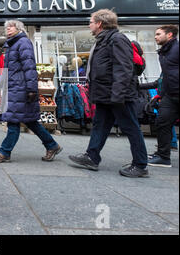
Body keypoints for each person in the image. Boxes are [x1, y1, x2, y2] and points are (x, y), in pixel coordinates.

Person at [68, 9, 148, 177]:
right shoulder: (104, 40)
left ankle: (140, 165)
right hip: (106, 94)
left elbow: (124, 69)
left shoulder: (117, 39)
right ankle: (92, 156)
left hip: (118, 95)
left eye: (90, 22)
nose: (89, 25)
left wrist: (118, 95)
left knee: (131, 127)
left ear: (99, 23)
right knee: (100, 125)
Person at [0, 20, 62, 163]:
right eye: (6, 27)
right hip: (16, 88)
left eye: (11, 26)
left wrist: (31, 89)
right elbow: (7, 72)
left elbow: (29, 67)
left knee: (13, 121)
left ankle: (5, 152)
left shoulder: (23, 42)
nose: (8, 29)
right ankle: (52, 145)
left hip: (20, 89)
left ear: (19, 28)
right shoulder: (12, 45)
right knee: (31, 121)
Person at [142, 25, 178, 167]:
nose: (155, 37)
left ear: (169, 35)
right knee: (162, 123)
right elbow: (164, 78)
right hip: (170, 95)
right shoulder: (164, 52)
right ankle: (163, 156)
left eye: (158, 34)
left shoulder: (176, 49)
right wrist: (160, 95)